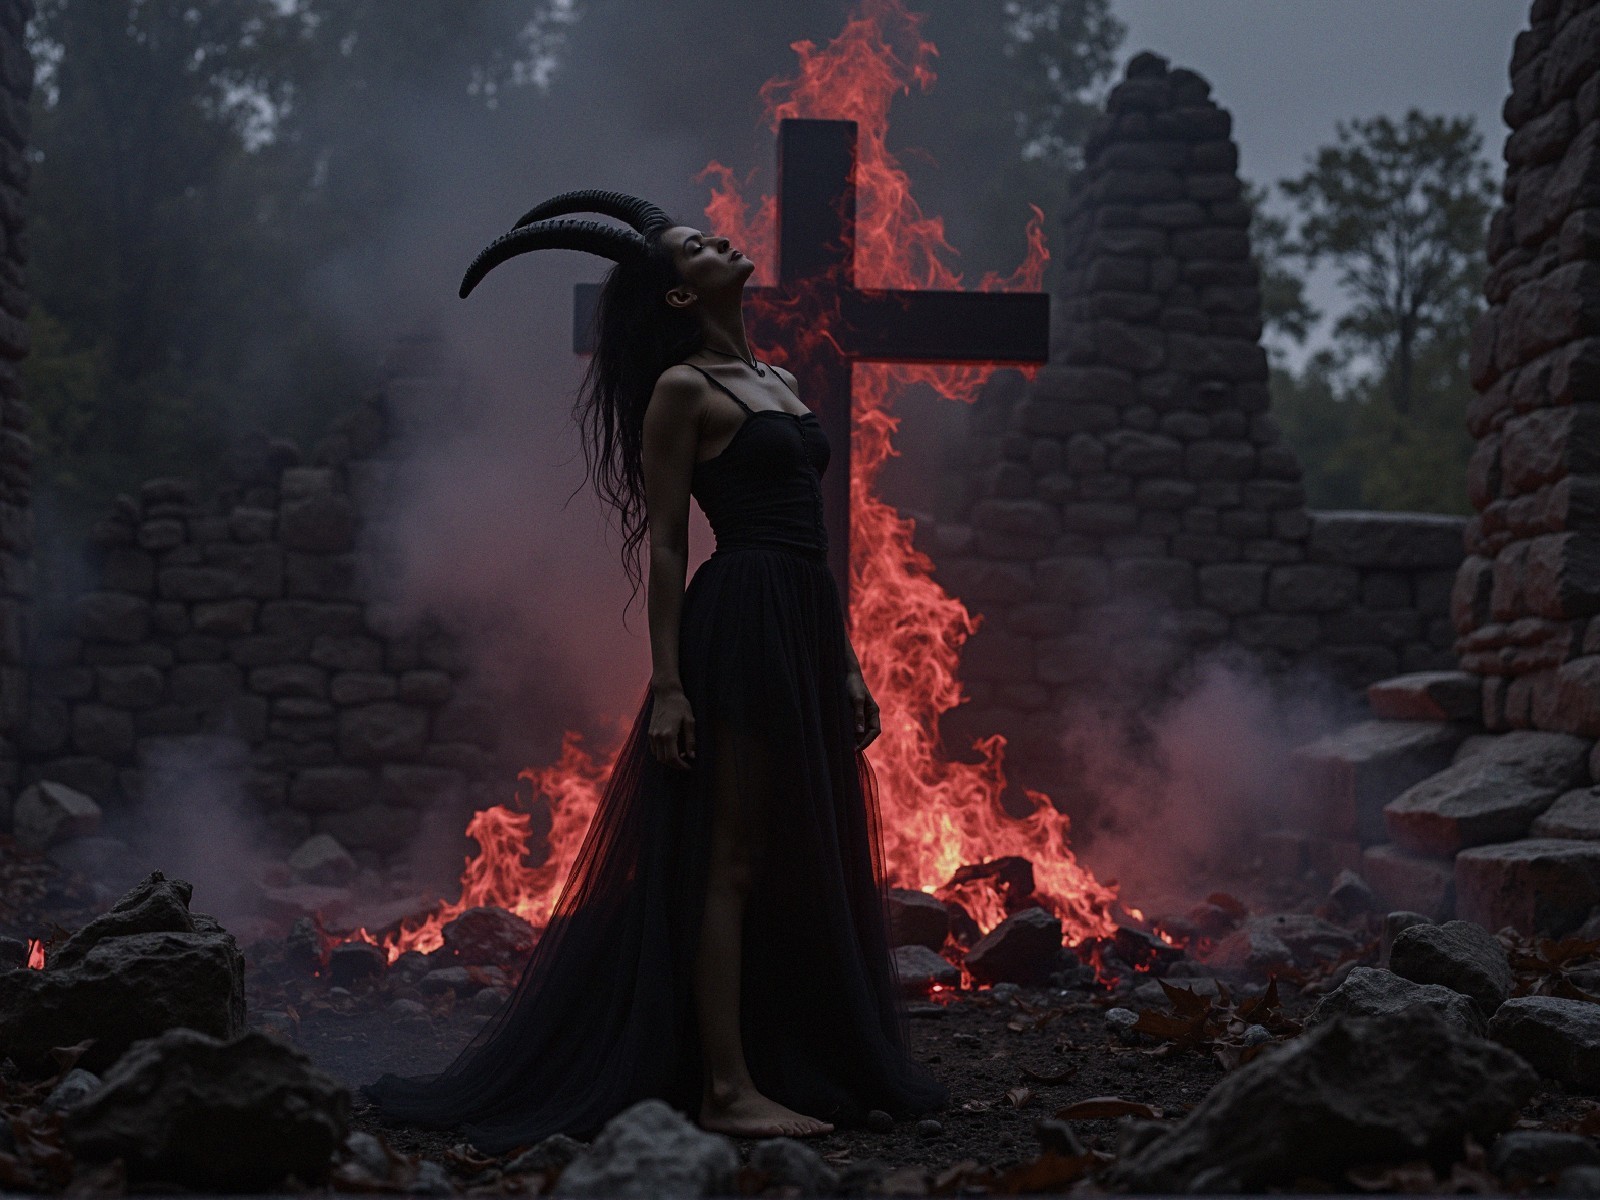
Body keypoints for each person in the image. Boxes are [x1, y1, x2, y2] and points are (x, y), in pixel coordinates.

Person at [359, 189, 950, 1153]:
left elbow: (817, 542)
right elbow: (670, 545)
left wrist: (846, 664)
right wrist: (669, 683)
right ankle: (724, 1087)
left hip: (799, 619)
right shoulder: (684, 391)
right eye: (694, 245)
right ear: (679, 297)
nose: (720, 238)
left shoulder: (783, 377)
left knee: (792, 852)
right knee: (733, 857)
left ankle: (787, 1053)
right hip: (739, 623)